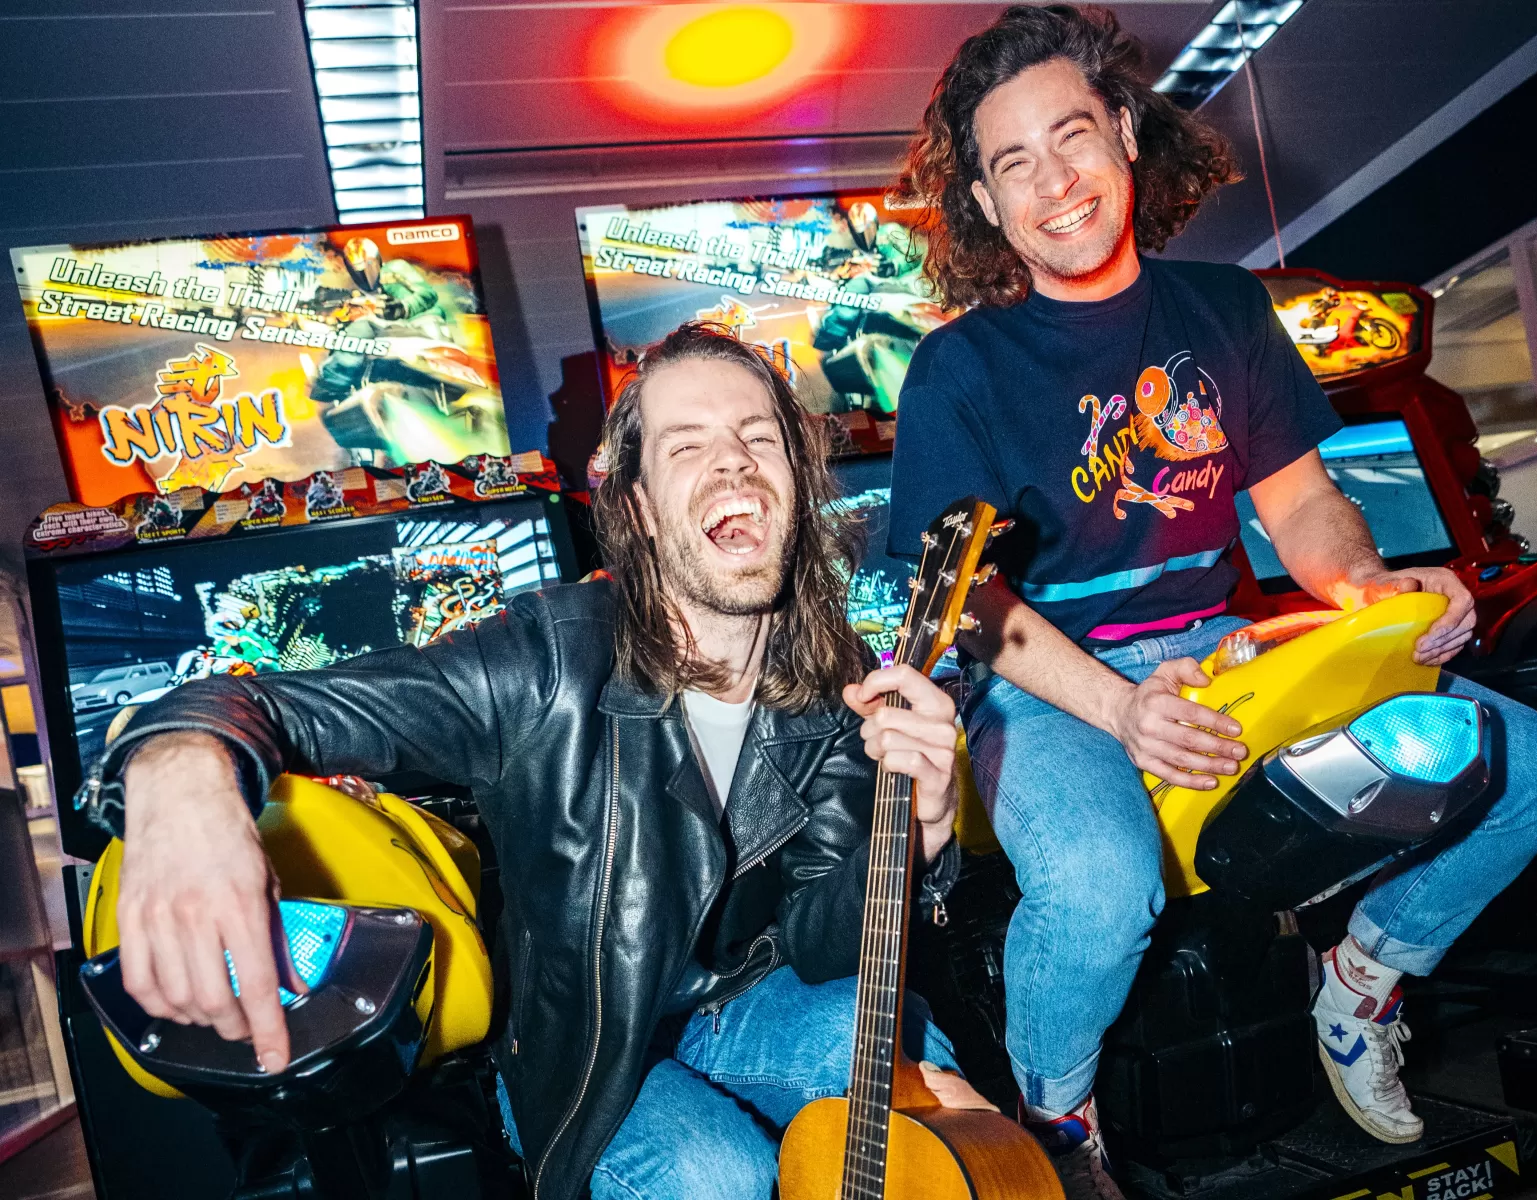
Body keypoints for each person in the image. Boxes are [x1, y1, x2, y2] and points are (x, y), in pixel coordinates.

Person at [885, 6, 1537, 1196]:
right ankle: (1059, 1119)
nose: (1054, 182)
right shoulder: (956, 368)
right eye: (1014, 164)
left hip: (1222, 644)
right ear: (986, 203)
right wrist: (1117, 709)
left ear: (1119, 131)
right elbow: (968, 605)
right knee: (1102, 885)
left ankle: (1361, 979)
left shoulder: (1221, 308)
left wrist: (1364, 588)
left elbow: (1304, 505)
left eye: (1070, 137)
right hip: (1050, 683)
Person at [88, 323, 987, 1200]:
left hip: (741, 1005)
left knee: (934, 1090)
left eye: (759, 438)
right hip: (585, 1045)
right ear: (636, 506)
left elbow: (827, 943)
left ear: (795, 480)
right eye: (687, 446)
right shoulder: (543, 661)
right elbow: (276, 705)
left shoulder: (837, 680)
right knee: (716, 1172)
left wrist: (922, 824)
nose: (734, 462)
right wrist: (181, 779)